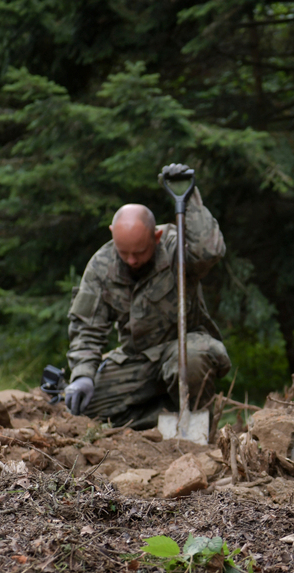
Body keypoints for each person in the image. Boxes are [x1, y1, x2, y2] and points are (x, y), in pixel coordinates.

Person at [64, 164, 231, 429]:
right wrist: (83, 374)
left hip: (182, 349)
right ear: (112, 234)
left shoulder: (176, 248)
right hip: (138, 360)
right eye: (124, 252)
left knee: (193, 357)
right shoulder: (100, 266)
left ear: (157, 236)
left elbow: (209, 250)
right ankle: (163, 418)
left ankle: (198, 425)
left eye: (140, 252)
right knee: (86, 408)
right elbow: (86, 329)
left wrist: (188, 197)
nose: (132, 260)